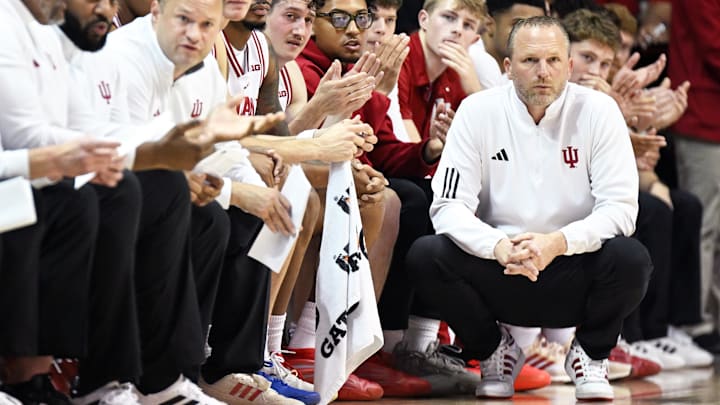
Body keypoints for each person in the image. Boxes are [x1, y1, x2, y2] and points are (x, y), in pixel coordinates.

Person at [406, 16, 651, 401]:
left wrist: (558, 242)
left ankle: (590, 352)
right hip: (499, 267)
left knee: (631, 257)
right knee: (427, 254)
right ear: (507, 67)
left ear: (569, 67)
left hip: (571, 267)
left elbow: (621, 209)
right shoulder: (477, 112)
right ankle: (492, 351)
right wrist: (496, 245)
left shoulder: (599, 111)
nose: (543, 72)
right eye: (530, 61)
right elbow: (448, 207)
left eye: (554, 61)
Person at [667, 0, 720, 354]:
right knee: (703, 223)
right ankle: (695, 323)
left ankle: (711, 321)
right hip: (703, 113)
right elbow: (713, 43)